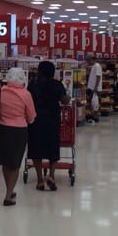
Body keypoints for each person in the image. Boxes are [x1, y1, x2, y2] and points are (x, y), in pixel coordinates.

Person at [0, 66, 36, 206]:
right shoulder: (26, 94)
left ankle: (10, 189)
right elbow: (31, 116)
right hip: (19, 131)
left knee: (5, 162)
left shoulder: (0, 91)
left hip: (2, 130)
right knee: (15, 164)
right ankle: (8, 196)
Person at [28, 60, 70, 191]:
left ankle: (40, 180)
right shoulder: (57, 85)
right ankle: (51, 176)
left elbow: (27, 99)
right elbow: (64, 100)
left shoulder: (33, 84)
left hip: (35, 119)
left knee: (36, 149)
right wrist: (66, 97)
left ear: (40, 71)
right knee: (53, 147)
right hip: (52, 119)